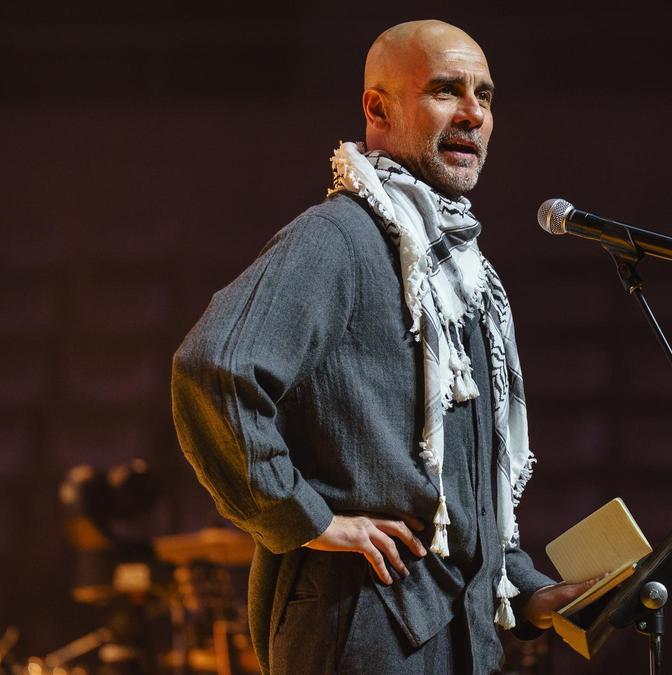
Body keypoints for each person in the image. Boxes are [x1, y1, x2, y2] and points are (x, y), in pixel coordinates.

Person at [170, 20, 593, 675]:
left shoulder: (464, 277)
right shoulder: (336, 238)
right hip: (363, 629)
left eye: (484, 94)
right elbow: (213, 368)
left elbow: (460, 492)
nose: (473, 113)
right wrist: (305, 517)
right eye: (447, 91)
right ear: (378, 108)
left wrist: (531, 592)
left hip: (460, 639)